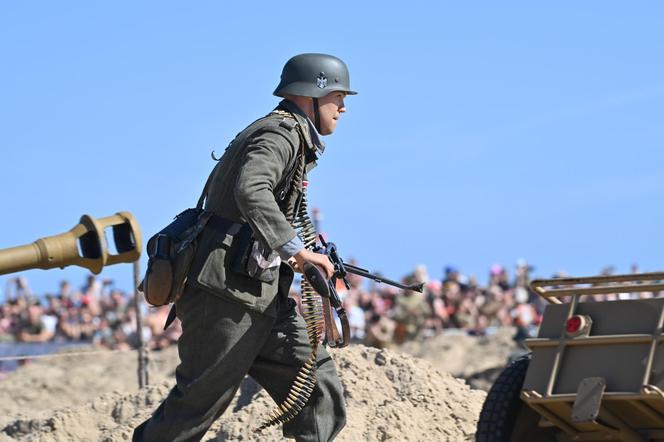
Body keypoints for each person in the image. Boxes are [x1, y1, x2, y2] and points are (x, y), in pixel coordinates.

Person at [133, 53, 356, 442]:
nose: (343, 106)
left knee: (317, 388)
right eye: (337, 95)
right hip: (225, 296)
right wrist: (298, 252)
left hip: (257, 294)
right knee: (197, 407)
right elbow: (251, 188)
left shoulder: (292, 136)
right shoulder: (280, 134)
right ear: (311, 95)